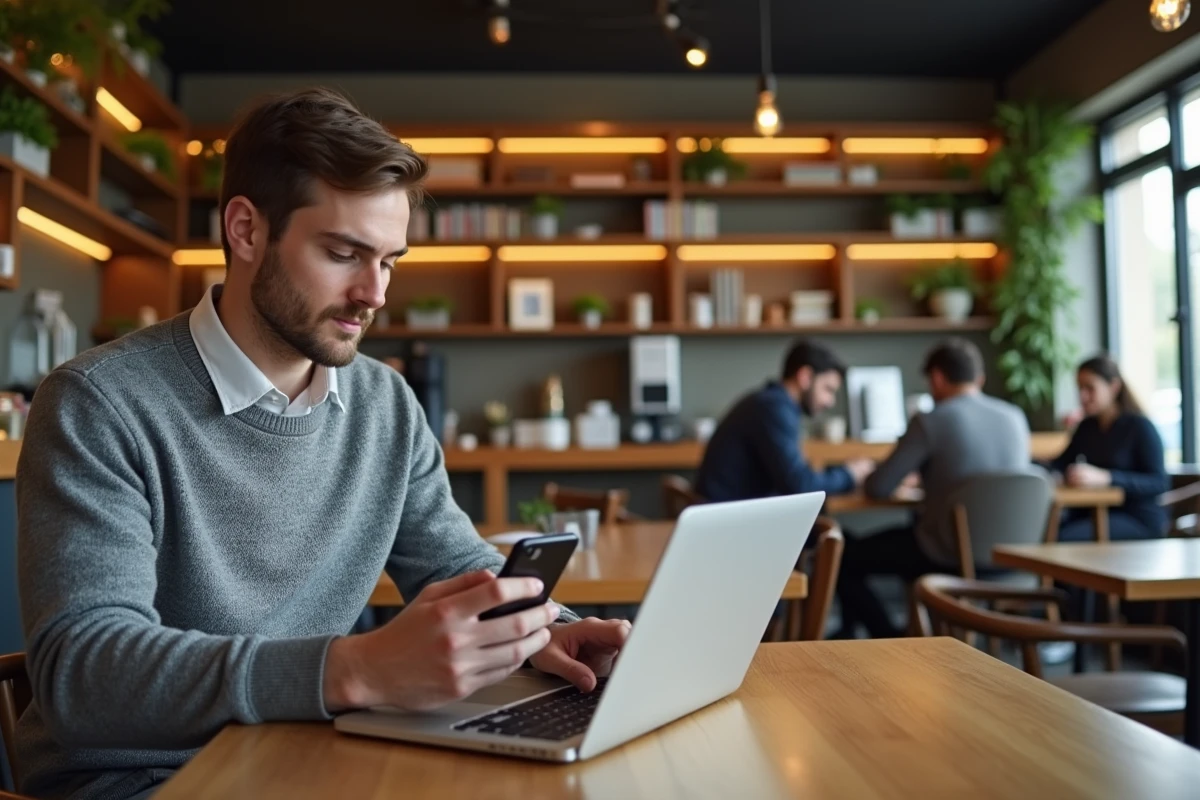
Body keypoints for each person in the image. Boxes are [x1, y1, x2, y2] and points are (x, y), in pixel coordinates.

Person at [15, 88, 629, 800]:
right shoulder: (101, 402)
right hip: (141, 781)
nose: (375, 293)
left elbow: (454, 563)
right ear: (245, 230)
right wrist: (352, 669)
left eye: (391, 261)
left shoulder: (384, 403)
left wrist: (545, 631)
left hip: (312, 759)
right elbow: (84, 675)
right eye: (344, 253)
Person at [834, 338, 1031, 639]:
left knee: (841, 558)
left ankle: (888, 637)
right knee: (907, 545)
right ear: (979, 377)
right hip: (1011, 555)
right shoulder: (1015, 417)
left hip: (947, 552)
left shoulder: (931, 420)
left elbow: (879, 486)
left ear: (937, 378)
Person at [694, 339, 874, 503]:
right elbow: (800, 486)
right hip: (730, 525)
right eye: (828, 389)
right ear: (805, 377)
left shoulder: (771, 403)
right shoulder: (774, 408)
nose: (830, 401)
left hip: (733, 515)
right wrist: (851, 474)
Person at [1048, 355, 1168, 540]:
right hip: (1094, 513)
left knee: (1064, 538)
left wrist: (1107, 478)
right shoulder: (1087, 427)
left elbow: (1159, 482)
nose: (1082, 396)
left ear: (1113, 387)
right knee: (1045, 529)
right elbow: (1060, 463)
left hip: (1136, 518)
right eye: (1079, 388)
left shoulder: (1139, 427)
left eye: (1090, 388)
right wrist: (1057, 474)